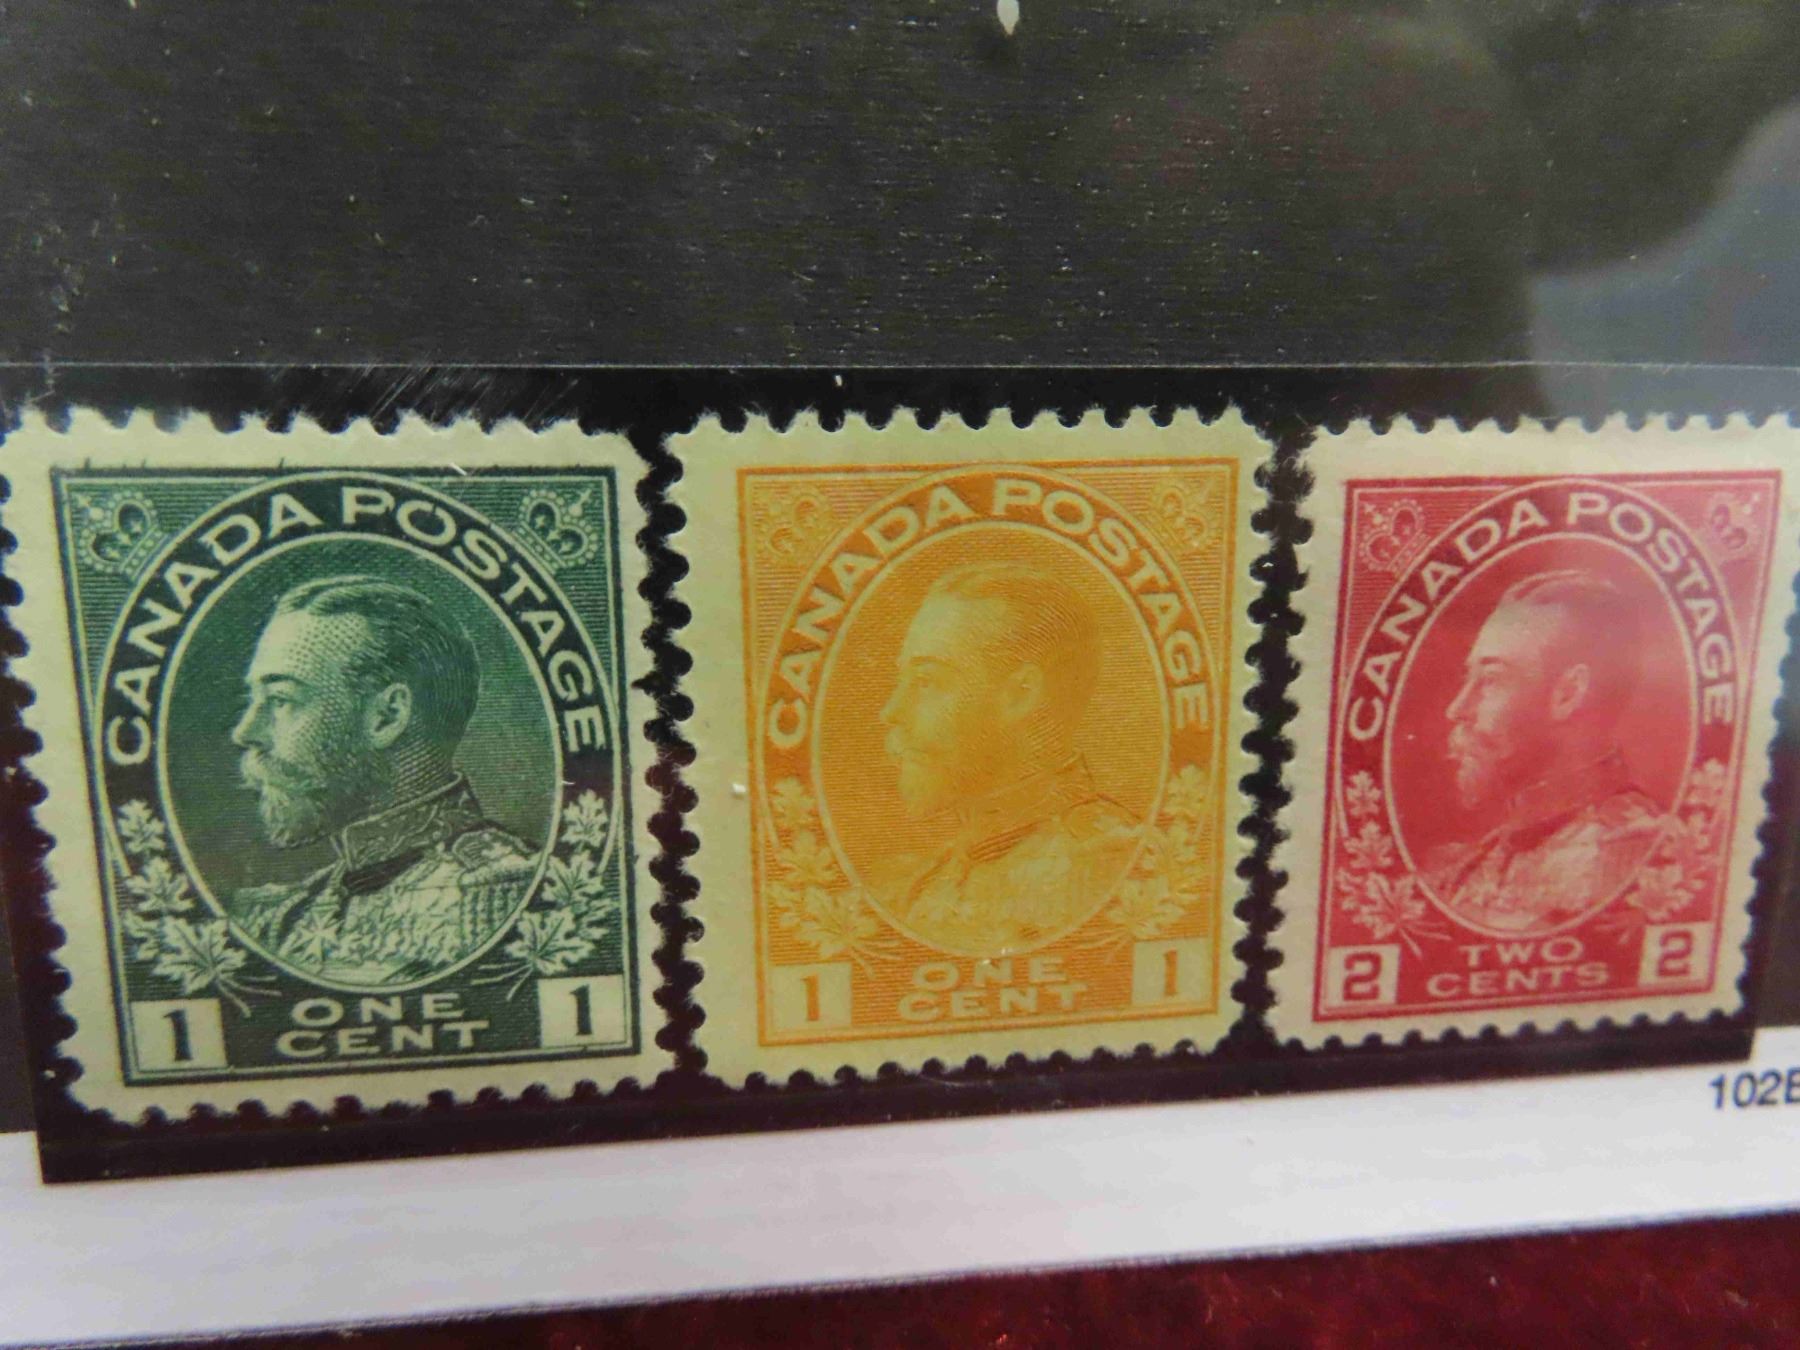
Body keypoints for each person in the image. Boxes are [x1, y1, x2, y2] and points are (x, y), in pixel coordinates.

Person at [229, 575, 536, 985]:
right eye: (253, 701)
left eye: (281, 700)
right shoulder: (281, 917)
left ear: (387, 716)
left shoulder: (504, 897)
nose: (245, 732)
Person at [873, 561, 1138, 955]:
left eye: (927, 681)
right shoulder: (920, 886)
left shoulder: (1112, 865)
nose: (891, 712)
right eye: (903, 679)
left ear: (1020, 695)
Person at [1430, 569, 1667, 933]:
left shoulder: (1634, 854)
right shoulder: (1469, 868)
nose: (1457, 708)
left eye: (1491, 680)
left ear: (1568, 694)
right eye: (1469, 679)